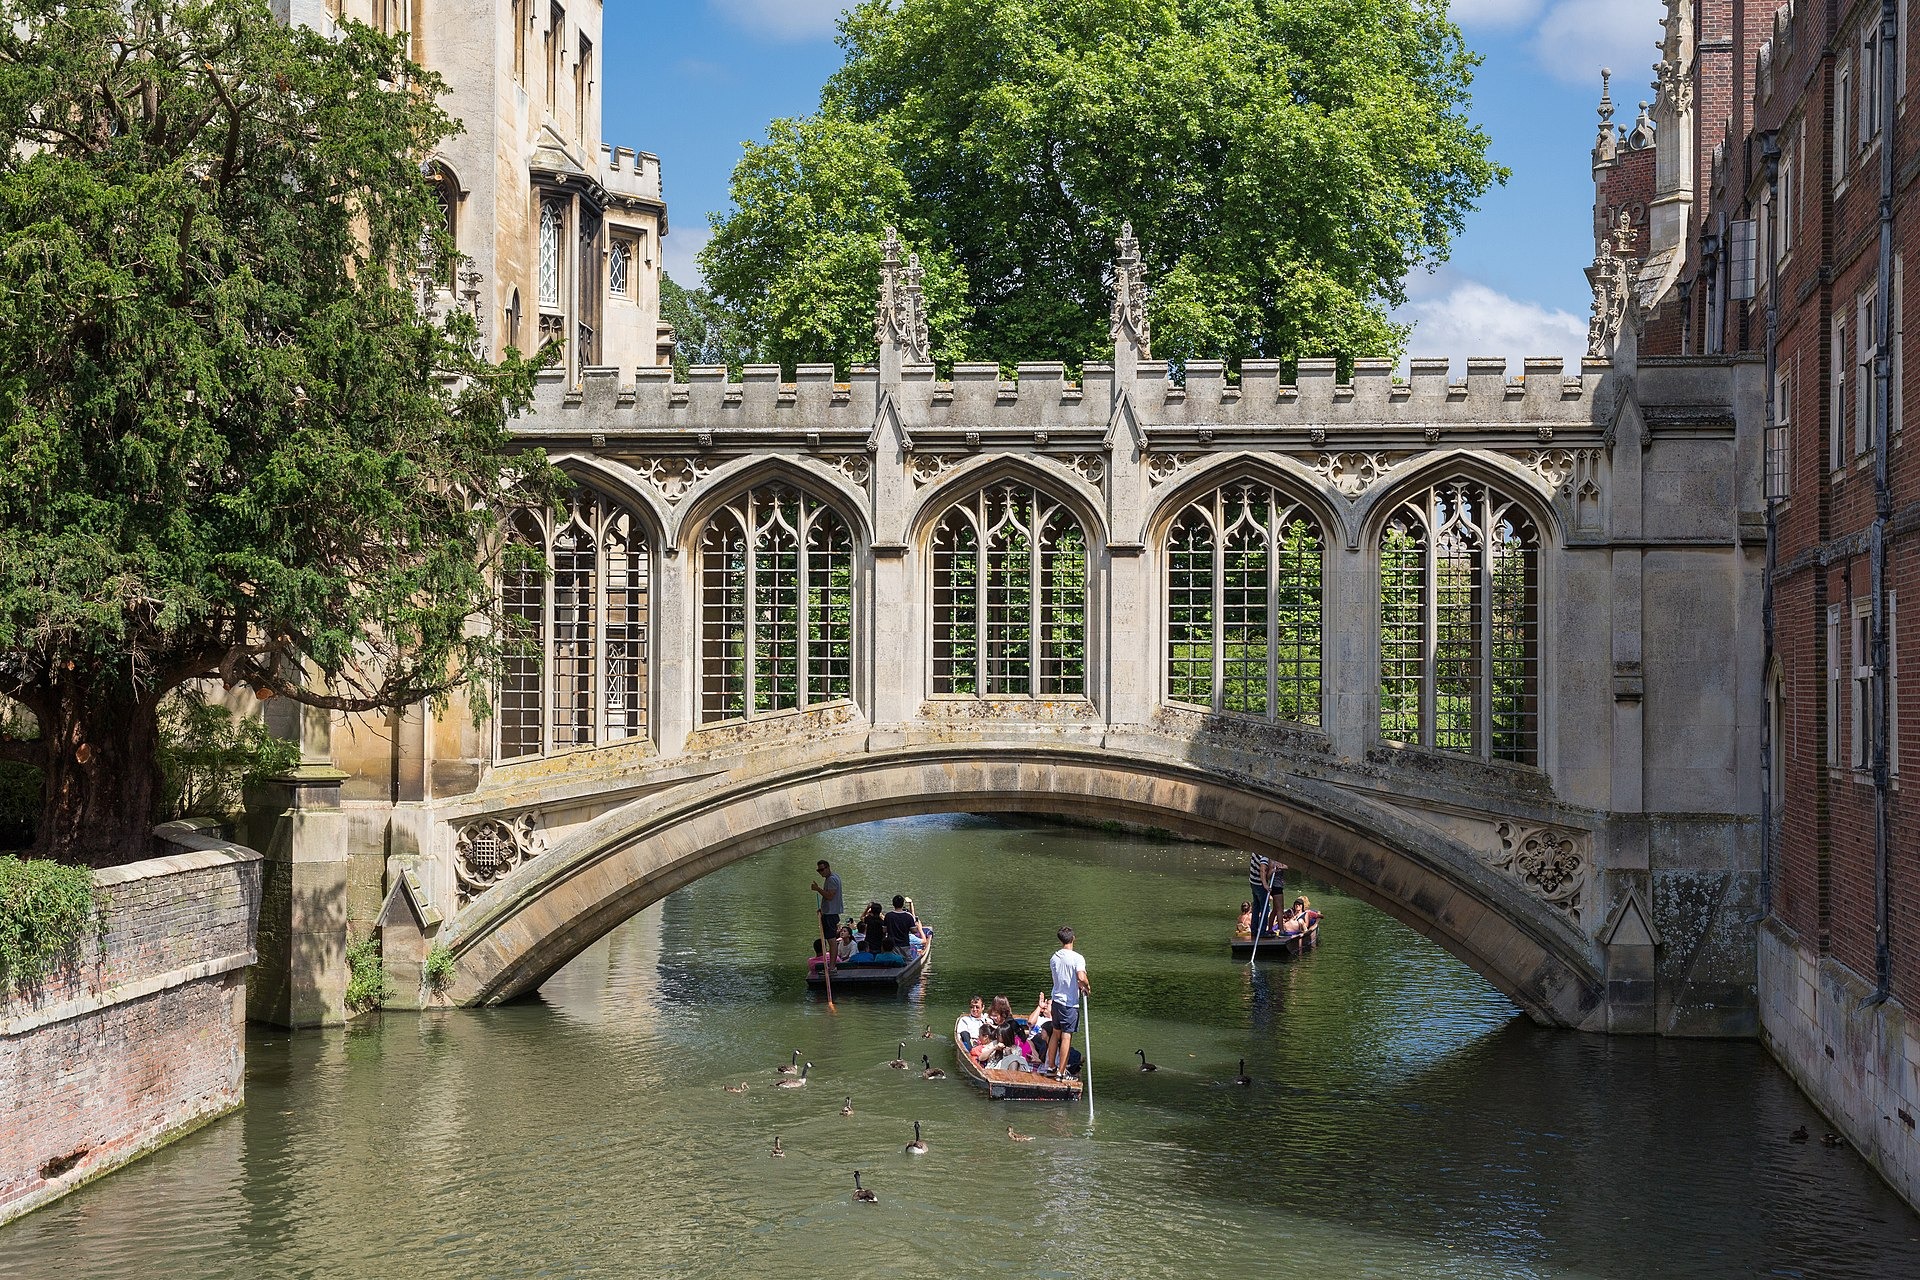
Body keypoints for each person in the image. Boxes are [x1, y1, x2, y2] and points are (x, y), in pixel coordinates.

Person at [1041, 926, 1089, 1079]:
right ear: (1073, 938)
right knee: (1066, 1036)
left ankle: (1051, 1067)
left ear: (1060, 940)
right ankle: (1061, 1072)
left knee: (1056, 1033)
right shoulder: (1077, 958)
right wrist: (1087, 986)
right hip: (1069, 1004)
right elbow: (1081, 977)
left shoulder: (1054, 957)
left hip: (1056, 1001)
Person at [1248, 852, 1287, 937]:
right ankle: (1262, 932)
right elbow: (1263, 869)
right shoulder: (1265, 856)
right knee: (1265, 909)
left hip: (1253, 882)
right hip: (1260, 884)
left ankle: (1255, 931)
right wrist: (1265, 884)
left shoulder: (1255, 852)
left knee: (1256, 907)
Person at [811, 860, 844, 942]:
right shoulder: (833, 877)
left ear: (828, 867)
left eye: (822, 869)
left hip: (830, 914)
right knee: (830, 939)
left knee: (831, 940)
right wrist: (823, 909)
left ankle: (832, 955)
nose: (820, 872)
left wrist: (818, 889)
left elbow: (829, 896)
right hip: (829, 912)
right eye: (818, 870)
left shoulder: (831, 879)